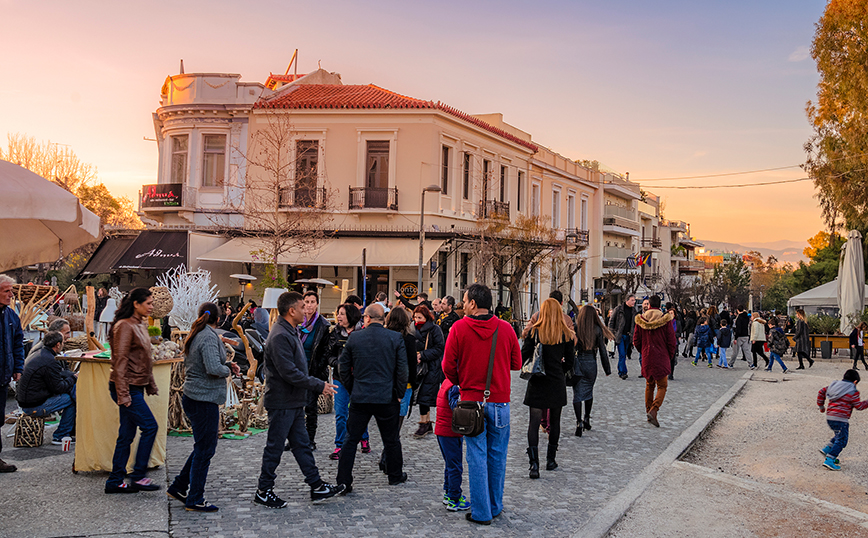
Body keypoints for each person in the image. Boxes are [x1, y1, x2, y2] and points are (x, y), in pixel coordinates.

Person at [443, 283, 522, 525]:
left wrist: (463, 382)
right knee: (497, 456)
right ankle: (495, 506)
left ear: (474, 304)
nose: (463, 305)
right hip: (499, 401)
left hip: (469, 402)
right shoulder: (505, 328)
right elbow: (517, 363)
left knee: (476, 456)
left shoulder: (458, 328)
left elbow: (447, 366)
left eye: (464, 301)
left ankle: (481, 512)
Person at [254, 291, 343, 508]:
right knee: (275, 447)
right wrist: (318, 385)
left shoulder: (289, 330)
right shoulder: (280, 335)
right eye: (303, 306)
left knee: (302, 445)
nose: (306, 310)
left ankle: (316, 485)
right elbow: (289, 373)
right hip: (282, 401)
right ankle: (264, 490)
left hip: (292, 401)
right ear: (292, 310)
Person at [167, 303, 241, 512]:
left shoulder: (199, 333)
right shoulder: (208, 337)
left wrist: (226, 366)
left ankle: (179, 486)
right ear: (217, 319)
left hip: (196, 397)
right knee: (205, 450)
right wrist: (227, 370)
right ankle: (195, 498)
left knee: (202, 447)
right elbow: (212, 368)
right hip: (203, 399)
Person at [336, 303, 409, 491]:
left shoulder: (355, 338)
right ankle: (394, 475)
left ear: (366, 318)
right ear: (382, 318)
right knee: (391, 439)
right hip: (387, 397)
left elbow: (342, 367)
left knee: (351, 439)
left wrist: (352, 388)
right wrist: (399, 393)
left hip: (360, 396)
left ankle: (344, 480)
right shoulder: (395, 338)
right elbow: (402, 371)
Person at [105, 288, 161, 494]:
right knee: (150, 427)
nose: (151, 306)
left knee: (126, 434)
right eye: (148, 303)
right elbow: (119, 361)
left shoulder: (139, 324)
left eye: (152, 303)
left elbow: (145, 358)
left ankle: (115, 480)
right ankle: (138, 476)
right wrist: (123, 394)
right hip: (126, 387)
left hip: (134, 386)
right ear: (136, 304)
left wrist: (150, 383)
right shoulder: (125, 326)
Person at [522, 298, 575, 478]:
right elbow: (570, 362)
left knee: (534, 422)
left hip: (537, 380)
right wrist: (560, 369)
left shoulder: (535, 332)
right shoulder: (566, 334)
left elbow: (524, 355)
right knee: (555, 421)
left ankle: (533, 464)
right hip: (556, 381)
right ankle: (550, 460)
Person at [16, 331, 76, 445]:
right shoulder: (50, 361)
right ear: (58, 344)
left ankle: (66, 432)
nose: (64, 344)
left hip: (26, 400)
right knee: (71, 399)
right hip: (33, 405)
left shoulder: (39, 353)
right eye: (63, 342)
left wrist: (69, 376)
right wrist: (73, 378)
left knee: (69, 393)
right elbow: (58, 388)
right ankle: (61, 435)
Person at [326, 303, 369, 461]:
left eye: (342, 314)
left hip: (359, 379)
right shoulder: (335, 333)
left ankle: (364, 439)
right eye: (338, 313)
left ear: (351, 316)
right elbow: (328, 355)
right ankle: (340, 445)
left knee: (359, 412)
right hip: (340, 379)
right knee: (341, 414)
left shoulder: (363, 332)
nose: (339, 317)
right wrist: (337, 363)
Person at [378, 306, 417, 474]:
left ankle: (386, 456)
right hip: (404, 385)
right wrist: (414, 383)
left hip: (385, 384)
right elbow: (412, 364)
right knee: (397, 425)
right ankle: (387, 457)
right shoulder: (408, 339)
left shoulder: (383, 336)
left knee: (389, 423)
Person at [295, 291, 331, 451]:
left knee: (310, 407)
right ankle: (295, 439)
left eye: (312, 302)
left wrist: (317, 373)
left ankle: (310, 440)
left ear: (317, 304)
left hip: (313, 370)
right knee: (295, 407)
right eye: (307, 301)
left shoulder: (322, 325)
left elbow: (324, 352)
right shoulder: (296, 321)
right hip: (296, 371)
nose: (309, 305)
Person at [633, 295, 676, 428]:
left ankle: (648, 412)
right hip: (661, 356)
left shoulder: (641, 320)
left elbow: (636, 340)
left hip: (647, 355)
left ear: (649, 305)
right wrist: (668, 355)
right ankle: (654, 409)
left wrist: (643, 351)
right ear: (660, 305)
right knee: (662, 386)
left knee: (649, 385)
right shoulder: (665, 320)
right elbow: (671, 340)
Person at [571, 305, 612, 437]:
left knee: (577, 393)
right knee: (589, 391)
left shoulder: (576, 327)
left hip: (578, 362)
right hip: (591, 363)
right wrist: (607, 368)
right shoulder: (597, 329)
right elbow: (602, 351)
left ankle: (578, 422)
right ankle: (587, 417)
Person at [817, 369, 868, 471]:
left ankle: (827, 450)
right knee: (842, 440)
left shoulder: (834, 385)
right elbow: (859, 406)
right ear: (855, 382)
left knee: (838, 435)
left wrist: (821, 406)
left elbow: (821, 391)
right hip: (841, 419)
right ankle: (830, 459)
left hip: (830, 417)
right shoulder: (853, 391)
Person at [0, 275, 24, 473]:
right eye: (6, 291)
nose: (11, 294)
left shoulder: (10, 315)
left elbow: (18, 342)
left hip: (2, 376)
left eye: (11, 290)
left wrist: (18, 368)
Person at [435, 378, 469, 511]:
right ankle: (454, 498)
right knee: (455, 466)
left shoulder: (446, 382)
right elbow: (456, 406)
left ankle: (448, 493)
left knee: (450, 464)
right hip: (450, 431)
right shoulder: (455, 385)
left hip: (443, 429)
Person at [412, 305, 445, 438]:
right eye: (415, 317)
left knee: (424, 396)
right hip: (418, 367)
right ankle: (427, 423)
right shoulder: (412, 328)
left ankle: (423, 424)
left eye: (420, 317)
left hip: (431, 367)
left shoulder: (434, 329)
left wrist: (422, 355)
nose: (416, 320)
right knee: (421, 395)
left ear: (426, 317)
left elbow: (439, 348)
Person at [608, 294, 636, 379]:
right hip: (619, 335)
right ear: (627, 300)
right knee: (622, 354)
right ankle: (622, 372)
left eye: (634, 300)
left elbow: (634, 324)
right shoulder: (619, 309)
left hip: (628, 335)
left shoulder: (634, 311)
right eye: (632, 300)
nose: (634, 302)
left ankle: (621, 370)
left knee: (624, 354)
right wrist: (611, 334)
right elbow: (611, 322)